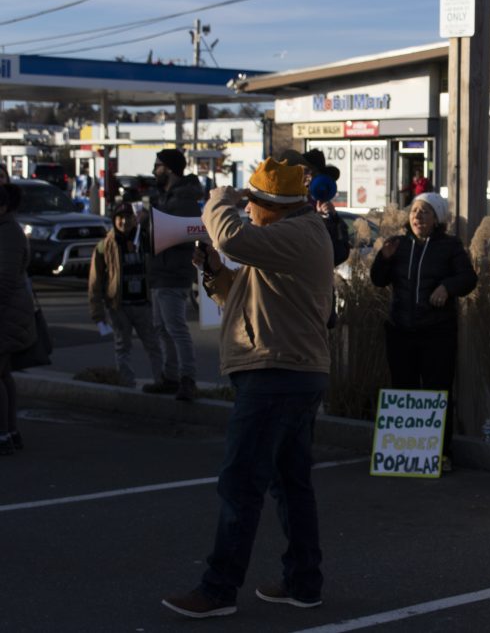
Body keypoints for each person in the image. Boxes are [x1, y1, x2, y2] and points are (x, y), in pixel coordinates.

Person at [162, 158, 334, 618]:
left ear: (272, 207)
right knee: (289, 483)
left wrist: (220, 200)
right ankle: (303, 582)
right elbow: (243, 300)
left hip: (277, 373)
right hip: (287, 370)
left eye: (255, 204)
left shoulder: (298, 235)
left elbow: (231, 233)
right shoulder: (291, 240)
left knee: (241, 481)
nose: (250, 211)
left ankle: (218, 589)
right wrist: (216, 273)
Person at [370, 192, 478, 470]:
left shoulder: (450, 246)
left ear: (438, 218)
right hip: (400, 329)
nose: (418, 216)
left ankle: (441, 453)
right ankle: (405, 456)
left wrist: (447, 287)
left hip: (436, 331)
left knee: (437, 390)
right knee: (403, 388)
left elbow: (468, 278)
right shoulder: (398, 245)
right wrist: (383, 258)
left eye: (425, 211)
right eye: (415, 211)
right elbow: (378, 281)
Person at [142, 148, 201, 401]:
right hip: (160, 271)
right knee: (161, 328)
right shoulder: (165, 197)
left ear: (169, 169)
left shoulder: (183, 200)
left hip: (173, 273)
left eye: (158, 166)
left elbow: (188, 233)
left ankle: (187, 379)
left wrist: (155, 226)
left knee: (175, 328)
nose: (154, 171)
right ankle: (171, 376)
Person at [87, 202, 164, 389]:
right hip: (119, 306)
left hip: (144, 305)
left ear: (134, 219)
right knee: (122, 347)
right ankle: (126, 383)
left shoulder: (145, 239)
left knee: (154, 345)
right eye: (120, 218)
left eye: (128, 217)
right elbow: (94, 282)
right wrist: (98, 313)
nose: (124, 222)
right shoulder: (105, 246)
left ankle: (161, 381)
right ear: (114, 220)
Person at [0, 183, 34, 454]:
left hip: (7, 315)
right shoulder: (7, 230)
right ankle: (10, 432)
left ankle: (4, 434)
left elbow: (5, 280)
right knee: (4, 376)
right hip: (10, 314)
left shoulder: (8, 232)